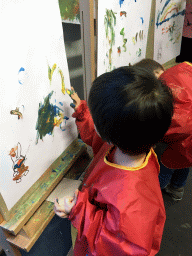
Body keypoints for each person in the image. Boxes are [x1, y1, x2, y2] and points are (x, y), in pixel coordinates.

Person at [54, 66, 174, 256]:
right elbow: (98, 138)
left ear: (109, 134)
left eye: (95, 116)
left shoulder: (132, 202)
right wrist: (83, 112)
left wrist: (78, 211)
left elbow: (115, 246)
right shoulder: (133, 143)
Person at [134, 59, 192, 201]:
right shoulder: (182, 72)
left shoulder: (165, 90)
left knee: (166, 165)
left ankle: (151, 198)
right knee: (184, 160)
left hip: (182, 138)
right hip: (188, 143)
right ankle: (177, 188)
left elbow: (170, 126)